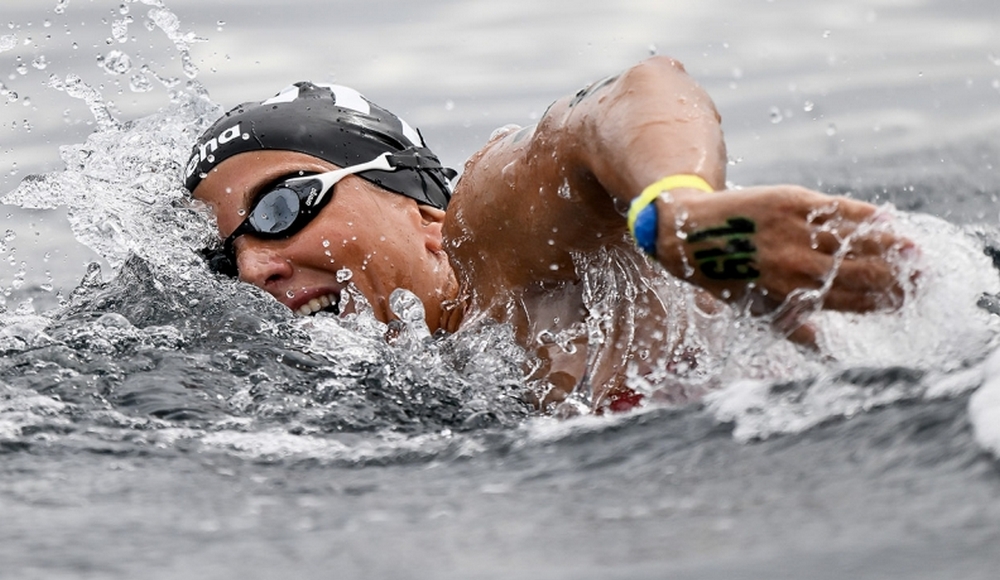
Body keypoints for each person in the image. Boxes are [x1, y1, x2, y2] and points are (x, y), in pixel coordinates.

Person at [186, 56, 913, 414]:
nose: (255, 268)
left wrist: (681, 217)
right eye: (225, 256)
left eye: (281, 207)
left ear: (423, 212)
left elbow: (628, 95)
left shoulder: (483, 234)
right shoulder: (421, 384)